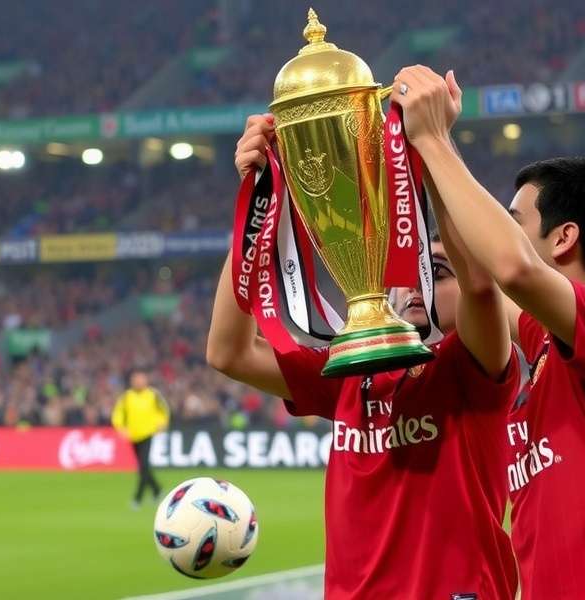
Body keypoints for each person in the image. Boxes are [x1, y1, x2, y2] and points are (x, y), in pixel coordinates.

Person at [390, 65, 585, 598]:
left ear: (563, 237)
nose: (505, 231)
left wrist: (432, 139)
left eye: (516, 220)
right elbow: (480, 277)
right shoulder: (550, 340)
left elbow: (512, 269)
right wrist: (429, 157)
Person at [207, 114, 520, 599]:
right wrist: (259, 201)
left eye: (438, 270)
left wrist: (429, 147)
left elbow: (481, 284)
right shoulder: (354, 367)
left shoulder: (473, 366)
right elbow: (229, 352)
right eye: (409, 268)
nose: (421, 283)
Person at [111, 368, 170, 509]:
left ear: (146, 380)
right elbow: (118, 413)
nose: (138, 381)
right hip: (133, 435)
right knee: (143, 467)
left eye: (141, 378)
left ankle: (137, 498)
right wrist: (120, 428)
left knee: (143, 466)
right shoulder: (127, 397)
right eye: (136, 379)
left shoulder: (153, 395)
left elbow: (164, 411)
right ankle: (157, 490)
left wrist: (162, 423)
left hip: (148, 433)